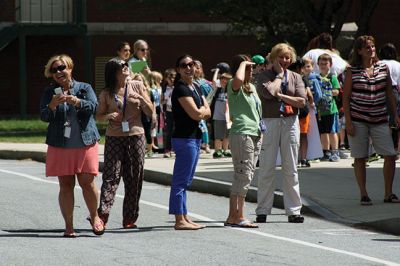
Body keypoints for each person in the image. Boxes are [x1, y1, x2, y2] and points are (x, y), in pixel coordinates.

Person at [39, 54, 104, 237]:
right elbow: (44, 117)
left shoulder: (84, 88)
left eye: (62, 68)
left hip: (85, 142)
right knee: (65, 185)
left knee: (87, 183)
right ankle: (69, 226)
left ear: (70, 68)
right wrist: (51, 106)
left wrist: (78, 101)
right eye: (54, 70)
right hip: (60, 145)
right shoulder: (49, 92)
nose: (59, 72)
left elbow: (94, 107)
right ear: (51, 74)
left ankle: (95, 217)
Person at [97, 59, 154, 228]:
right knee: (111, 176)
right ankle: (103, 215)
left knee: (134, 177)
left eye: (126, 65)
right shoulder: (106, 93)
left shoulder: (137, 85)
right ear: (113, 72)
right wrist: (108, 116)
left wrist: (142, 100)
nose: (126, 67)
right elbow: (98, 116)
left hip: (136, 136)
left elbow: (151, 111)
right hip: (114, 137)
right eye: (122, 66)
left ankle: (129, 218)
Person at [343, 35, 400, 205]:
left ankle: (388, 193)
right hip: (358, 118)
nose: (371, 50)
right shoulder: (352, 70)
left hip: (380, 117)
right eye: (367, 47)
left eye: (373, 46)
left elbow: (389, 93)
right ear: (359, 51)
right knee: (360, 157)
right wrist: (348, 122)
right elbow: (345, 97)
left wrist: (395, 115)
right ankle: (364, 194)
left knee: (390, 154)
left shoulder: (383, 67)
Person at [255, 43, 307, 223]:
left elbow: (301, 101)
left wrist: (282, 97)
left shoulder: (296, 77)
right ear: (273, 58)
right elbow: (269, 92)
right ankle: (262, 209)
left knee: (291, 167)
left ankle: (294, 210)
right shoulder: (263, 76)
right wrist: (278, 76)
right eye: (281, 57)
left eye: (287, 57)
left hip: (290, 122)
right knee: (267, 167)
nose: (285, 61)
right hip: (270, 122)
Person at [169, 55, 211, 230]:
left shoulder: (194, 87)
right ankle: (179, 220)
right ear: (178, 69)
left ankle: (184, 217)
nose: (189, 68)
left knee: (186, 180)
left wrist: (201, 111)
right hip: (184, 138)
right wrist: (202, 111)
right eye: (184, 65)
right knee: (180, 180)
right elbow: (196, 114)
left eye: (192, 64)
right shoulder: (180, 89)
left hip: (194, 137)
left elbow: (207, 111)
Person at [224, 54, 260, 228]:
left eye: (251, 67)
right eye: (247, 67)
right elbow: (237, 78)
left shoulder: (252, 87)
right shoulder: (233, 84)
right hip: (242, 132)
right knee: (243, 174)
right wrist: (243, 63)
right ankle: (238, 215)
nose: (251, 70)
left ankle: (233, 215)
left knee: (246, 174)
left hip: (255, 132)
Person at [316, 53, 341, 162]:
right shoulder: (316, 77)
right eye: (321, 63)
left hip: (331, 110)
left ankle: (335, 151)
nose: (323, 66)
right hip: (320, 110)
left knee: (332, 131)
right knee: (323, 132)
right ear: (318, 64)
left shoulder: (332, 77)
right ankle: (325, 151)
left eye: (325, 63)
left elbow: (337, 91)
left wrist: (327, 91)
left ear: (330, 64)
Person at [379, 43, 400, 151]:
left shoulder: (379, 63)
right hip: (393, 90)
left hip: (379, 90)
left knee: (380, 118)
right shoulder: (398, 64)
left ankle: (381, 146)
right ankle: (394, 146)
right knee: (394, 118)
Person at [210, 68, 232, 158]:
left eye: (226, 81)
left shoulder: (231, 91)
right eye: (222, 80)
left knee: (227, 134)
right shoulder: (217, 89)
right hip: (218, 116)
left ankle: (226, 150)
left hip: (228, 116)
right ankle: (217, 150)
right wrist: (216, 71)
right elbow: (214, 81)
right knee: (218, 135)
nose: (223, 82)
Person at [193, 59, 213, 154]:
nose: (196, 70)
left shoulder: (205, 82)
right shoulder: (189, 82)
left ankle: (206, 144)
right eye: (194, 67)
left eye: (198, 67)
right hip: (192, 107)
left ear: (201, 69)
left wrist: (207, 105)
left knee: (203, 126)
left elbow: (211, 94)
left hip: (203, 107)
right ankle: (199, 144)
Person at [161, 68, 176, 158]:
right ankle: (168, 150)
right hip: (169, 111)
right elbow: (161, 101)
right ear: (166, 78)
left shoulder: (178, 86)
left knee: (177, 130)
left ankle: (177, 149)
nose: (171, 79)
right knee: (169, 130)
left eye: (173, 77)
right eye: (169, 77)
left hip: (177, 111)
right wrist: (164, 101)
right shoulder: (164, 88)